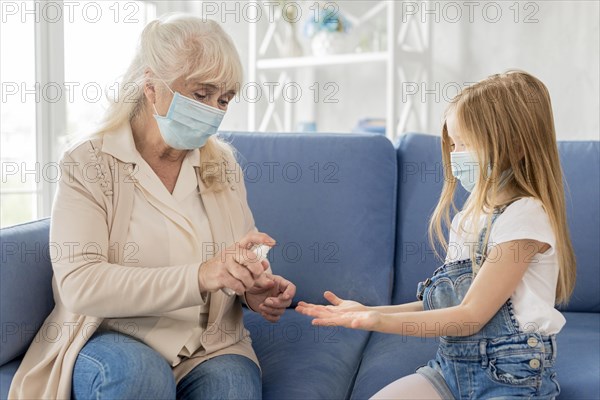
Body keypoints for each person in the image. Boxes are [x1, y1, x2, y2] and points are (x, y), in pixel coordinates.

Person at [9, 14, 296, 400]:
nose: (214, 110)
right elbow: (81, 285)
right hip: (114, 335)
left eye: (223, 99)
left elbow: (242, 254)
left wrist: (253, 290)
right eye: (201, 94)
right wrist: (201, 275)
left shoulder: (222, 165)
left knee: (232, 390)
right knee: (138, 375)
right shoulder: (89, 163)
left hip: (208, 346)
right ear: (151, 86)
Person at [296, 70, 575, 399]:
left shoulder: (524, 216)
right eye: (454, 144)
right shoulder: (469, 218)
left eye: (467, 144)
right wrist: (366, 312)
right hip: (450, 370)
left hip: (509, 378)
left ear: (514, 148)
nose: (456, 155)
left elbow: (471, 315)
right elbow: (440, 305)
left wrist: (377, 322)